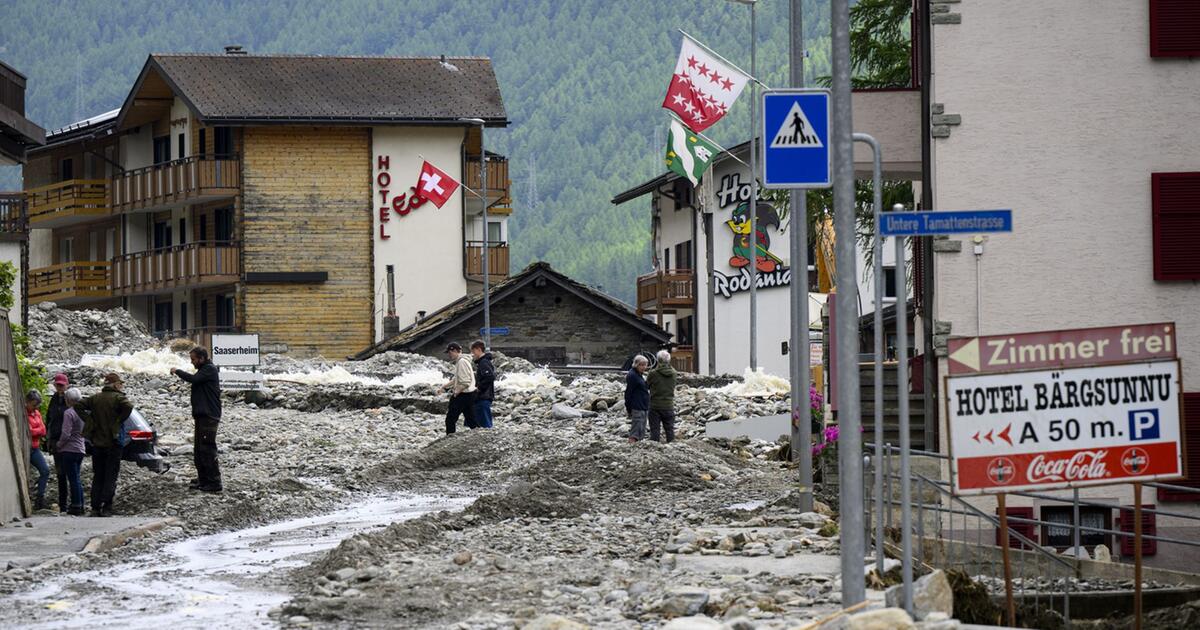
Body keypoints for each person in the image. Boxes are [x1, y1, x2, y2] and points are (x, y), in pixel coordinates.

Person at [80, 373, 133, 517]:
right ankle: (107, 507)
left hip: (97, 443)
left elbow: (78, 405)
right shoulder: (118, 398)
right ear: (115, 384)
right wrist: (119, 420)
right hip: (114, 443)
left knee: (98, 475)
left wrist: (89, 420)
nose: (121, 386)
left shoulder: (95, 398)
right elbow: (128, 406)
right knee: (111, 475)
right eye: (120, 383)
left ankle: (95, 507)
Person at [171, 347, 222, 493]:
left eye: (193, 359)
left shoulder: (209, 369)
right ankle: (203, 479)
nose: (192, 362)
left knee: (207, 449)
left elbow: (193, 379)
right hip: (202, 415)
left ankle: (214, 482)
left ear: (202, 358)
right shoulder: (204, 369)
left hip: (209, 416)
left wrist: (177, 371)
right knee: (199, 450)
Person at [56, 387, 86, 515]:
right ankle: (81, 504)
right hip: (80, 448)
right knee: (77, 477)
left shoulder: (69, 413)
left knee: (73, 478)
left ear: (68, 400)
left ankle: (76, 505)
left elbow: (66, 433)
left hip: (69, 449)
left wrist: (59, 444)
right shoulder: (83, 412)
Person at [46, 373, 69, 512]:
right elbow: (49, 419)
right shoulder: (54, 399)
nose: (59, 387)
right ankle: (63, 504)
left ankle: (74, 503)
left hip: (67, 441)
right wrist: (49, 440)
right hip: (55, 440)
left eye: (61, 385)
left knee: (69, 473)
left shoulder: (69, 400)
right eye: (57, 385)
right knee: (60, 473)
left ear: (67, 385)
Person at [441, 342, 476, 434]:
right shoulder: (463, 361)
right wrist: (444, 386)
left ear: (455, 351)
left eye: (450, 352)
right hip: (470, 394)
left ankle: (450, 439)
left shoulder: (461, 362)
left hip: (463, 394)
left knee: (450, 419)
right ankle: (479, 436)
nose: (449, 355)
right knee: (471, 419)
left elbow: (465, 382)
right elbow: (457, 378)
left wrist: (456, 392)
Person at [646, 349, 678, 443]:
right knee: (669, 430)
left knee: (655, 430)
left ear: (658, 360)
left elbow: (647, 386)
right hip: (669, 405)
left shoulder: (653, 373)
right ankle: (672, 449)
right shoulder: (674, 373)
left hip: (655, 405)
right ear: (669, 360)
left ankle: (655, 451)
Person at [25, 391, 48, 510]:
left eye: (36, 405)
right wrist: (36, 430)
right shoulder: (23, 414)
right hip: (26, 447)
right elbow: (28, 431)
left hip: (35, 447)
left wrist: (35, 430)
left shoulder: (37, 413)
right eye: (33, 405)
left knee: (45, 470)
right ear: (27, 402)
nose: (35, 407)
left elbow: (43, 430)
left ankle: (40, 498)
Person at [625, 354, 650, 442]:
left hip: (643, 405)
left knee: (642, 427)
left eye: (645, 365)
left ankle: (638, 446)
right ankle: (632, 445)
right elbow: (628, 392)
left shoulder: (639, 375)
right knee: (636, 429)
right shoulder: (632, 375)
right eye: (641, 365)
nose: (644, 367)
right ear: (636, 364)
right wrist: (628, 407)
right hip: (637, 405)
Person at [471, 340, 495, 429]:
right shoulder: (483, 362)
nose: (472, 354)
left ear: (479, 350)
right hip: (483, 397)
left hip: (483, 397)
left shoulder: (484, 362)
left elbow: (490, 376)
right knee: (481, 424)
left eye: (473, 351)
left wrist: (479, 388)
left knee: (486, 426)